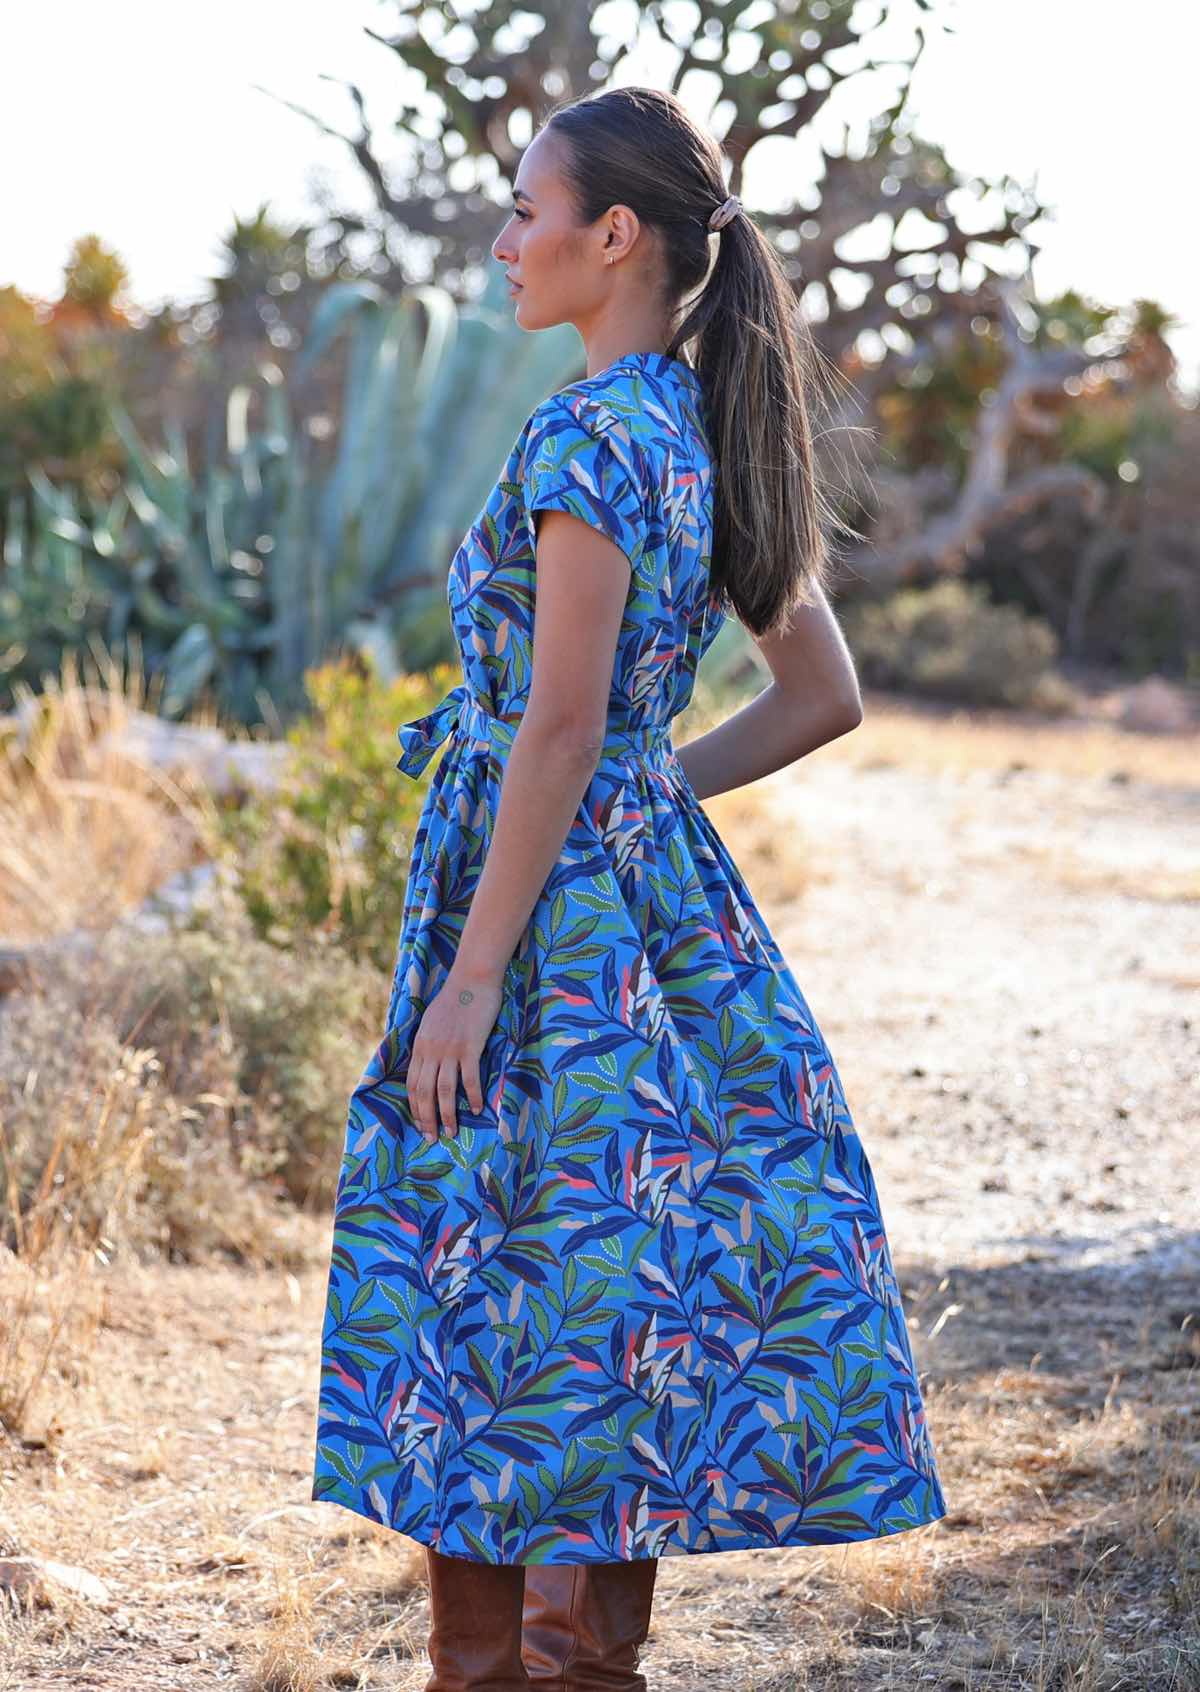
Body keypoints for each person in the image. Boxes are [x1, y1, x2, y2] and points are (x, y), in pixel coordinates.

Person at [312, 83, 948, 1692]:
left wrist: (469, 975)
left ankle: (496, 1672)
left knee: (487, 1279)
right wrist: (652, 802)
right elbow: (822, 695)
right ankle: (580, 1662)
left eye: (530, 210)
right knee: (609, 1287)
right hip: (638, 909)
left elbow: (565, 717)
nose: (507, 240)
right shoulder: (696, 425)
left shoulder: (591, 430)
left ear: (618, 236)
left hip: (542, 925)